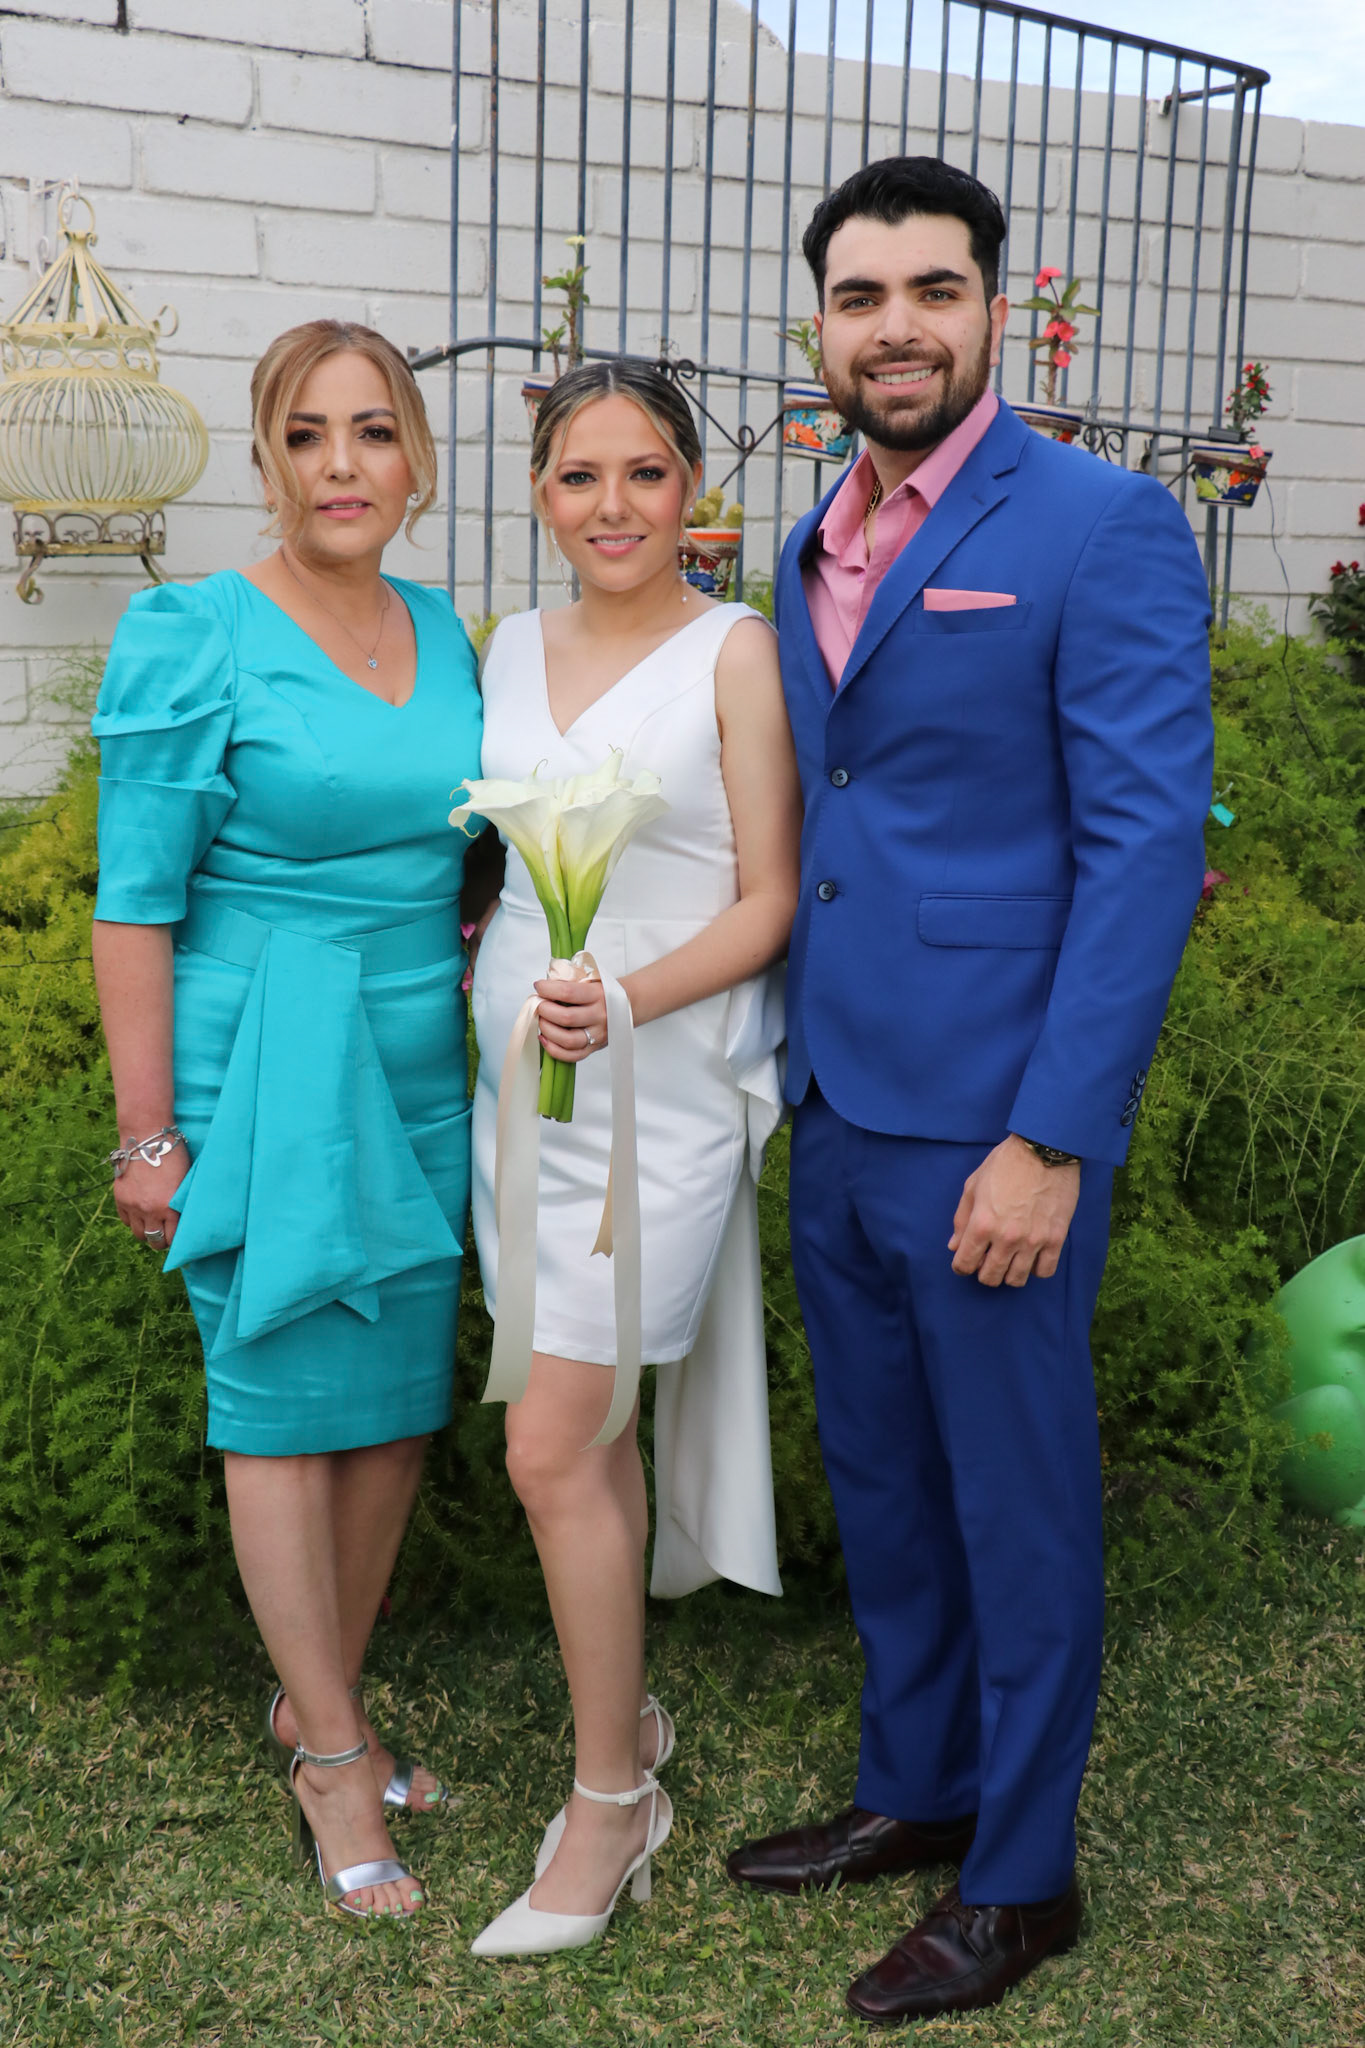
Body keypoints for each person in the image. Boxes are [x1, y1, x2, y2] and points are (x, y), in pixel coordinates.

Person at [725, 157, 1214, 2022]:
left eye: (933, 290)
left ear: (995, 308)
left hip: (995, 1119)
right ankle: (915, 1788)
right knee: (884, 1480)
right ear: (821, 327)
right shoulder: (808, 541)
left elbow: (1141, 846)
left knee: (1014, 1506)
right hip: (837, 1101)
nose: (896, 328)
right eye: (860, 297)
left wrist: (1051, 1136)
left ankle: (1019, 1878)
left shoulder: (1099, 523)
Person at [90, 320, 483, 1921]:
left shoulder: (447, 629)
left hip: (418, 1062)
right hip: (258, 1063)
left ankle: (317, 1700)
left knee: (390, 1408)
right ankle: (332, 1756)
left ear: (415, 459)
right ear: (266, 458)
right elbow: (133, 903)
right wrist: (148, 1136)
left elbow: (467, 848)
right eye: (306, 435)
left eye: (372, 431)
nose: (341, 465)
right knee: (275, 1406)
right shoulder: (197, 632)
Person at [465, 358, 800, 1957]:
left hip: (656, 1084)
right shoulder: (506, 646)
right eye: (580, 475)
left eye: (646, 472)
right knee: (574, 1435)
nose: (613, 506)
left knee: (551, 1441)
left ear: (691, 491)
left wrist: (627, 998)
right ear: (540, 492)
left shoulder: (735, 651)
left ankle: (612, 1801)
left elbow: (768, 898)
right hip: (516, 1085)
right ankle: (628, 1725)